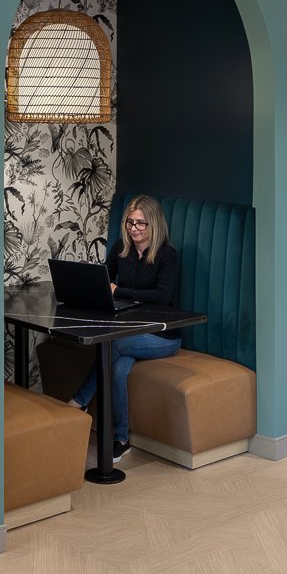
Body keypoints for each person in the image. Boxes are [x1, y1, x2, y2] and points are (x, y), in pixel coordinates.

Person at [70, 194, 180, 462]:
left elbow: (162, 296)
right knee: (117, 370)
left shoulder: (167, 254)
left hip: (162, 335)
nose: (134, 228)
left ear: (154, 223)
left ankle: (78, 402)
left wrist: (119, 291)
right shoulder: (122, 248)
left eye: (140, 223)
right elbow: (104, 278)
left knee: (114, 344)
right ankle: (121, 439)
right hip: (131, 331)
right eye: (130, 222)